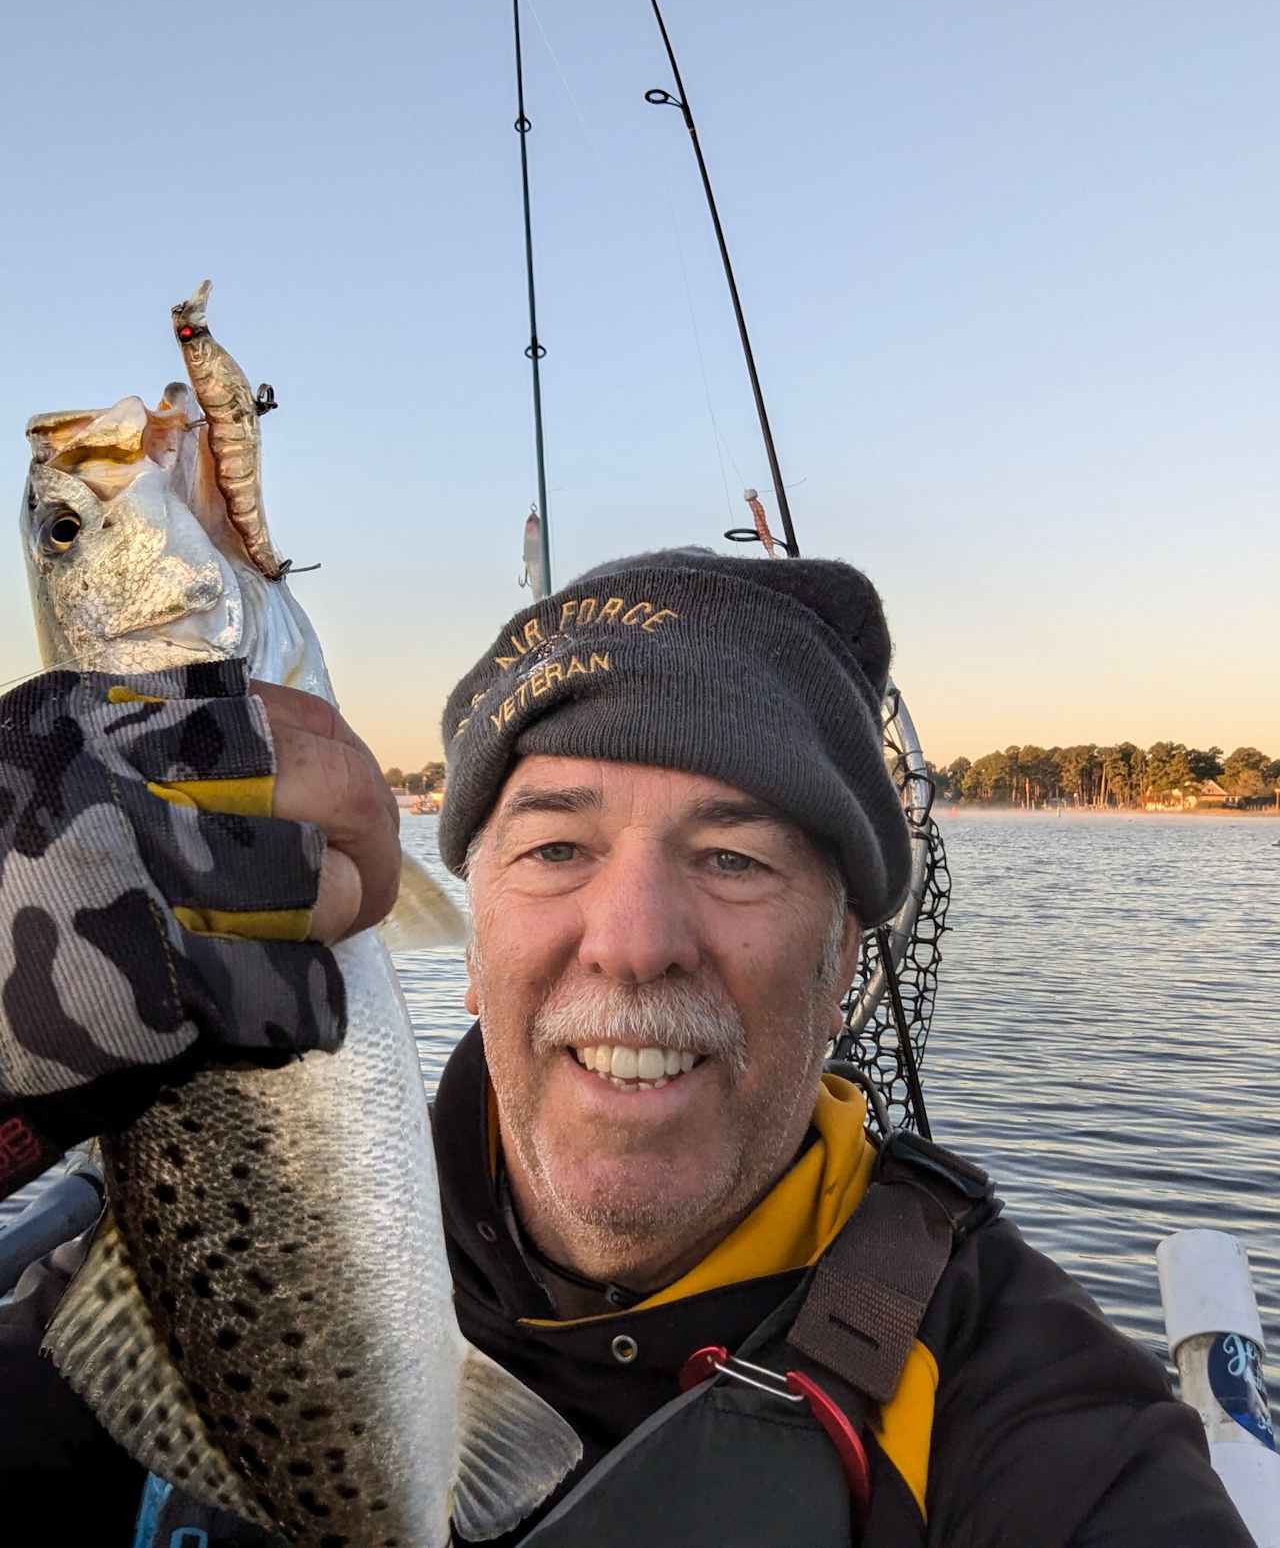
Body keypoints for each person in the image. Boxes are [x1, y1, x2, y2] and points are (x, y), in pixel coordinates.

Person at [0, 553, 1255, 1545]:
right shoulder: (192, 1242)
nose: (633, 941)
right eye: (555, 847)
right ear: (469, 932)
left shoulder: (1038, 1427)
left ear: (844, 971)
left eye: (734, 859)